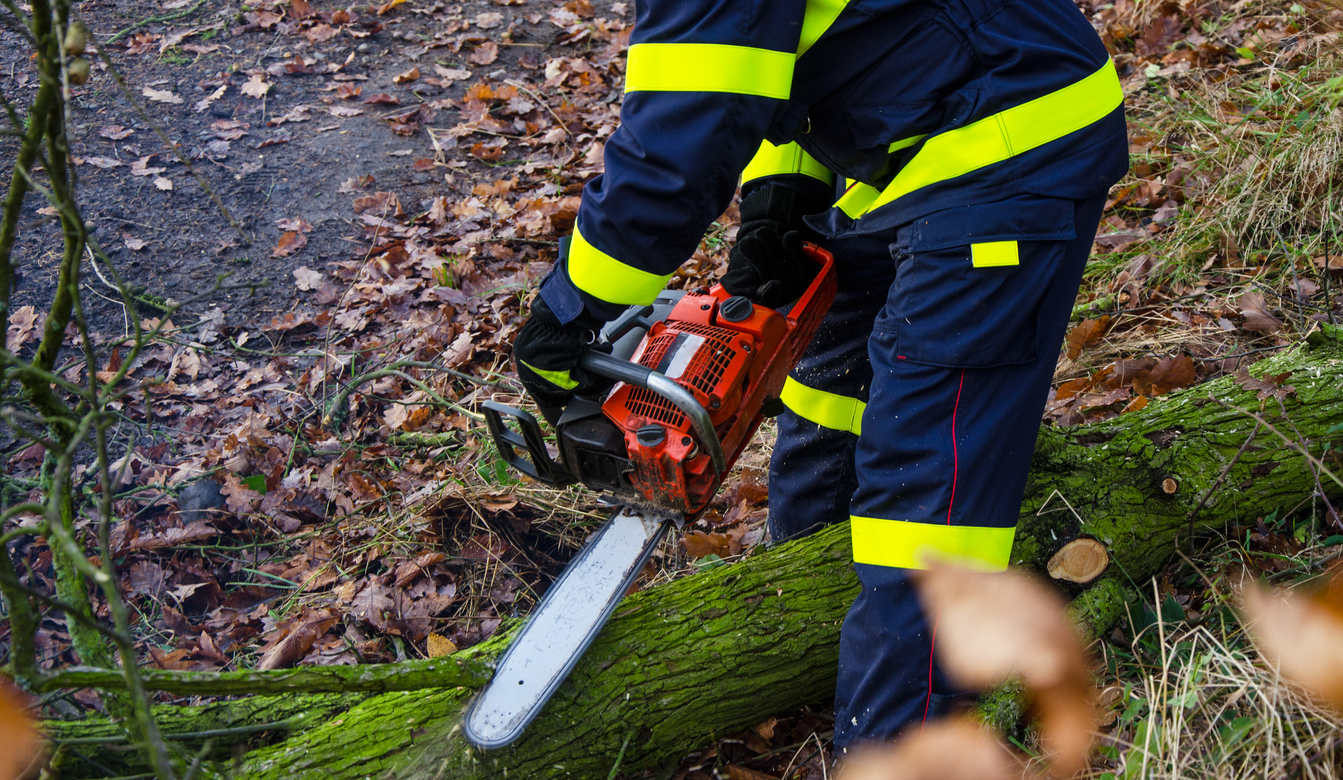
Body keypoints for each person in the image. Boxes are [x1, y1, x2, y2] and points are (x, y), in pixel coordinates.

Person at [511, 0, 1128, 756]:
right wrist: (781, 196)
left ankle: (899, 751)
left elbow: (675, 151)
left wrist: (570, 310)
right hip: (901, 133)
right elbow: (766, 60)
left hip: (1009, 134)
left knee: (925, 490)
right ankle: (807, 593)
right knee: (828, 380)